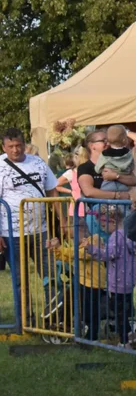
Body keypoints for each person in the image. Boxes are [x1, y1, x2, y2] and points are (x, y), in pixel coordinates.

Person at [1, 128, 62, 329]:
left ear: (24, 143)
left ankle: (55, 317)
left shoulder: (38, 163)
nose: (15, 150)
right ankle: (26, 321)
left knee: (51, 275)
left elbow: (52, 189)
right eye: (10, 146)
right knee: (20, 280)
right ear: (3, 147)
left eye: (18, 145)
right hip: (11, 233)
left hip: (41, 231)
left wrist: (62, 219)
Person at [81, 205, 136, 345]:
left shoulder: (115, 236)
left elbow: (109, 255)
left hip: (117, 281)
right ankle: (130, 336)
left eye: (103, 225)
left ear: (112, 222)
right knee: (123, 311)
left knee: (119, 313)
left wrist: (91, 249)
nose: (102, 229)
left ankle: (125, 341)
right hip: (128, 279)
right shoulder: (127, 234)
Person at [77, 129, 136, 204]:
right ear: (92, 146)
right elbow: (88, 191)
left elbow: (134, 181)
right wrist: (117, 195)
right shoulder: (85, 167)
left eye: (108, 140)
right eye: (104, 141)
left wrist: (116, 176)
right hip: (99, 213)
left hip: (123, 211)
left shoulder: (116, 162)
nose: (108, 143)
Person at [95, 125, 135, 193]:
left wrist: (102, 171)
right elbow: (132, 167)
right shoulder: (129, 153)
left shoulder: (105, 154)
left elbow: (97, 169)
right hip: (124, 185)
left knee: (106, 203)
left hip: (108, 185)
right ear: (124, 140)